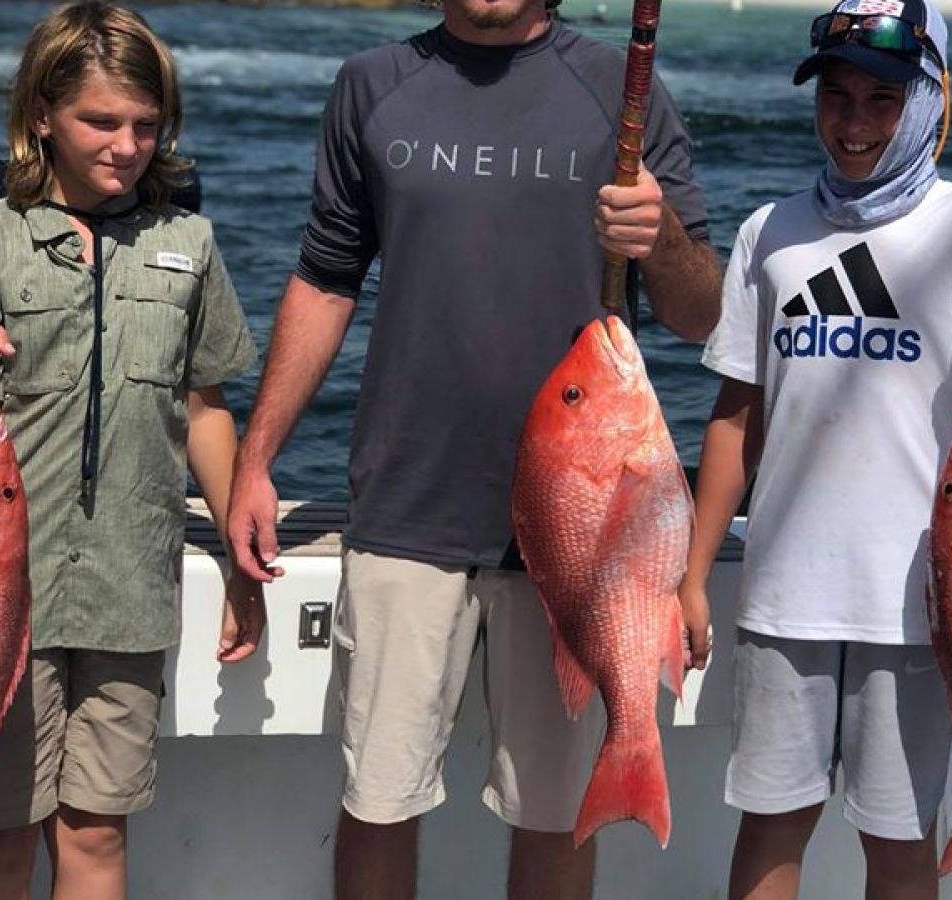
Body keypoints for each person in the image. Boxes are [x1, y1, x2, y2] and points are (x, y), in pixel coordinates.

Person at [225, 0, 722, 895]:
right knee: (378, 800)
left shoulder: (618, 87)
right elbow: (325, 280)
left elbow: (699, 314)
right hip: (406, 505)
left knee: (554, 814)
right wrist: (256, 460)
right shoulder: (371, 85)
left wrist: (661, 239)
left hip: (581, 530)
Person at [679, 1, 952, 899]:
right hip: (783, 599)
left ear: (929, 102)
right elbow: (735, 418)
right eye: (835, 95)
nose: (854, 122)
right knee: (770, 829)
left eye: (883, 98)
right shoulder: (769, 232)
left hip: (925, 614)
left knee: (903, 845)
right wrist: (692, 575)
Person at [0, 3, 264, 898]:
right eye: (100, 121)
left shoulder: (189, 243)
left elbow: (205, 405)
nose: (127, 146)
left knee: (97, 831)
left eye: (146, 125)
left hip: (129, 592)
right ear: (42, 114)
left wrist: (240, 555)